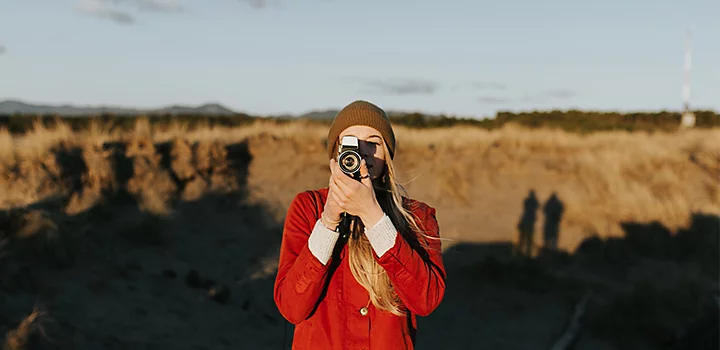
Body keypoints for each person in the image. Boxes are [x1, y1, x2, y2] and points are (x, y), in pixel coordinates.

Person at [273, 100, 447, 349]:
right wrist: (329, 220)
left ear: (387, 154)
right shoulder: (309, 207)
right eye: (351, 143)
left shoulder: (417, 215)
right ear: (337, 153)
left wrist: (374, 217)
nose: (362, 152)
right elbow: (291, 307)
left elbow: (426, 299)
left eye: (373, 142)